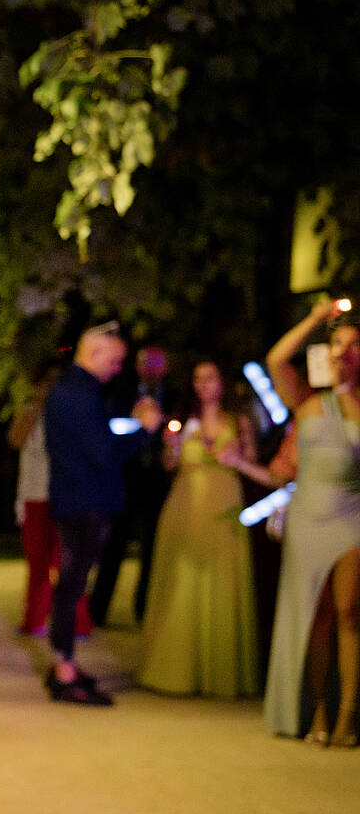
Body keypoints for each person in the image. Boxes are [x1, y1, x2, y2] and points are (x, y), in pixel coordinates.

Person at [44, 322, 163, 705]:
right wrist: (146, 430)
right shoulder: (77, 391)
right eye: (115, 360)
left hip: (78, 498)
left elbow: (97, 437)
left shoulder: (76, 388)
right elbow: (104, 450)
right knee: (72, 586)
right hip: (84, 502)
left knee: (71, 585)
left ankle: (65, 666)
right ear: (94, 354)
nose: (118, 368)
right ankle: (64, 672)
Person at [258, 299, 360, 745]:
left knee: (348, 613)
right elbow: (276, 360)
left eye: (355, 345)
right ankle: (315, 709)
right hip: (308, 519)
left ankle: (347, 716)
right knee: (314, 618)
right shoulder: (306, 400)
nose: (344, 351)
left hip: (353, 517)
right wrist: (316, 320)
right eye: (338, 343)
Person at [137, 361, 259, 697]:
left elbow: (255, 465)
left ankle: (219, 673)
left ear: (222, 381)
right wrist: (171, 447)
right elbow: (169, 465)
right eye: (197, 378)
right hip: (186, 504)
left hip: (223, 503)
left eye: (209, 377)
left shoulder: (239, 421)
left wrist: (237, 459)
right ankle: (176, 669)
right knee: (183, 586)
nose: (203, 384)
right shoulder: (184, 420)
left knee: (221, 580)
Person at [90, 344, 175, 627]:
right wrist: (138, 423)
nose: (151, 369)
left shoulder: (175, 398)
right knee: (113, 547)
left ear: (166, 367)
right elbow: (109, 431)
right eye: (146, 363)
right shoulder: (121, 393)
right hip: (124, 481)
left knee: (152, 550)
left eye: (157, 363)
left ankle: (143, 611)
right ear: (137, 366)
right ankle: (97, 611)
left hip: (159, 484)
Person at [8, 360, 93, 637]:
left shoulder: (75, 413)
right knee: (37, 562)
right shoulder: (32, 412)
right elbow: (15, 440)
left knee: (69, 563)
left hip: (65, 496)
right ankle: (34, 619)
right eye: (48, 381)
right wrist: (34, 409)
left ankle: (76, 623)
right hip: (34, 495)